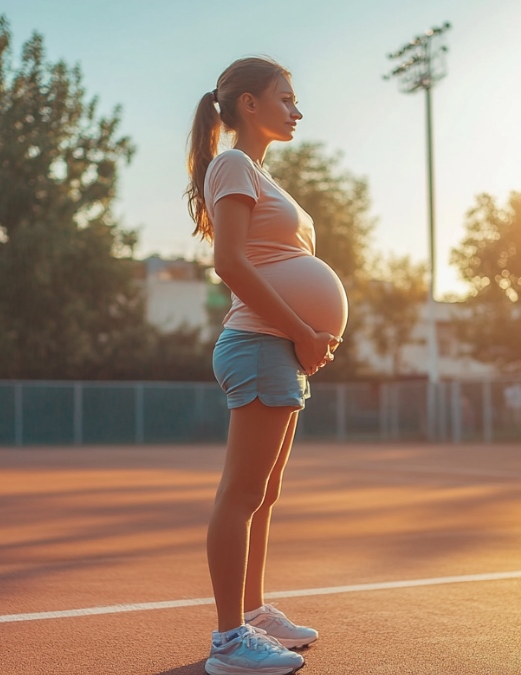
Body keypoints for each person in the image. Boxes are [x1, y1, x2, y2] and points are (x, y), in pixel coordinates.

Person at [186, 56, 348, 675]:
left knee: (266, 493)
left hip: (279, 346)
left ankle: (251, 613)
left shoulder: (259, 174)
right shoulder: (231, 164)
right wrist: (304, 329)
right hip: (259, 342)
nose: (297, 110)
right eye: (285, 98)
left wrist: (308, 337)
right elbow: (230, 262)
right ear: (248, 105)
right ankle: (228, 642)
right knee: (242, 493)